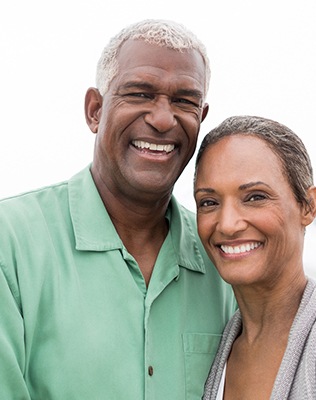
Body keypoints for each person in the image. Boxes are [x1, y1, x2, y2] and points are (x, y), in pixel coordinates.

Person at [0, 19, 236, 399]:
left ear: (201, 118)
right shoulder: (10, 242)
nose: (162, 118)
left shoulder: (223, 259)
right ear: (95, 110)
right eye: (140, 93)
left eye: (184, 101)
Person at [193, 115, 316, 399]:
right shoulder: (213, 353)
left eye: (255, 197)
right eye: (209, 202)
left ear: (308, 206)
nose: (228, 224)